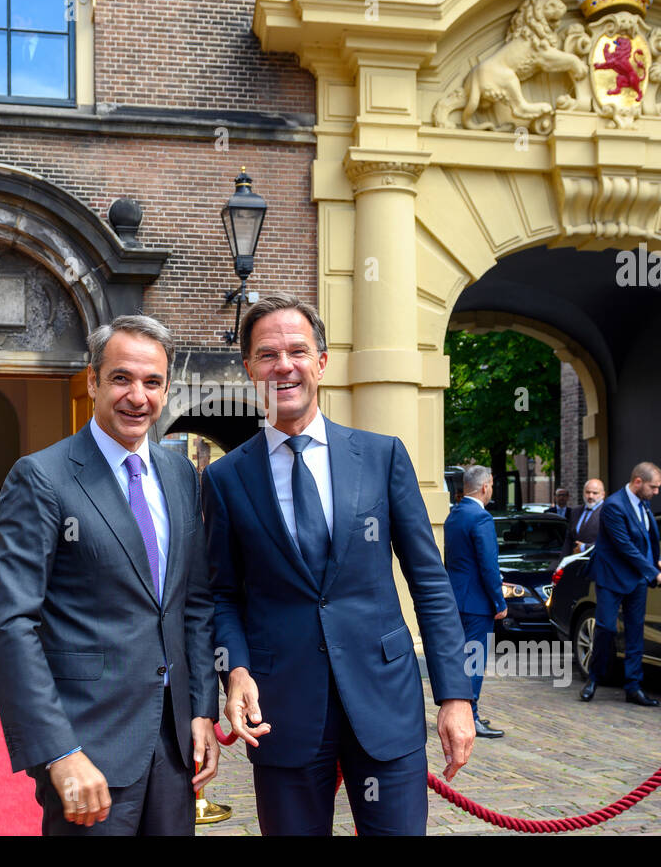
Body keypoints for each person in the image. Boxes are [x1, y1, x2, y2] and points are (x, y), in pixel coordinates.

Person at [202, 294, 474, 836]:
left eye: (298, 350)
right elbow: (222, 594)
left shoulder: (382, 456)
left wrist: (456, 695)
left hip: (385, 700)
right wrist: (233, 669)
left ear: (321, 362)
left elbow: (430, 582)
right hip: (281, 710)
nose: (284, 365)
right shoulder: (226, 479)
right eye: (267, 354)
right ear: (249, 368)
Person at [0, 315, 219, 836]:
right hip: (88, 747)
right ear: (92, 381)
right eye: (121, 378)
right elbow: (11, 626)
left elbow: (193, 604)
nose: (137, 396)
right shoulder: (41, 478)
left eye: (152, 382)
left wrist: (202, 709)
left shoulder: (181, 475)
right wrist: (59, 751)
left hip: (175, 744)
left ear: (166, 388)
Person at [578, 462, 661, 706]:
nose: (656, 492)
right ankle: (594, 677)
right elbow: (625, 547)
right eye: (653, 487)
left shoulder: (644, 503)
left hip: (636, 579)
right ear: (638, 482)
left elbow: (643, 540)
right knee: (606, 628)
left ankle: (633, 686)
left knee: (635, 631)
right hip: (611, 577)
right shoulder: (613, 506)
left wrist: (656, 562)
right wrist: (655, 574)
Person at [444, 465, 508, 739]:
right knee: (474, 661)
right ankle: (471, 716)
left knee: (460, 660)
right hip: (477, 602)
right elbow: (488, 565)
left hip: (455, 599)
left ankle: (460, 713)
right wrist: (499, 601)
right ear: (484, 487)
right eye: (491, 485)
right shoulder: (481, 518)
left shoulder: (454, 515)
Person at [561, 478, 605, 557]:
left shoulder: (608, 512)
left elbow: (609, 541)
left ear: (603, 495)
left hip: (596, 563)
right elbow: (568, 539)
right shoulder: (575, 511)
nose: (590, 496)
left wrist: (584, 547)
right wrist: (562, 564)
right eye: (587, 492)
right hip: (574, 564)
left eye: (595, 493)